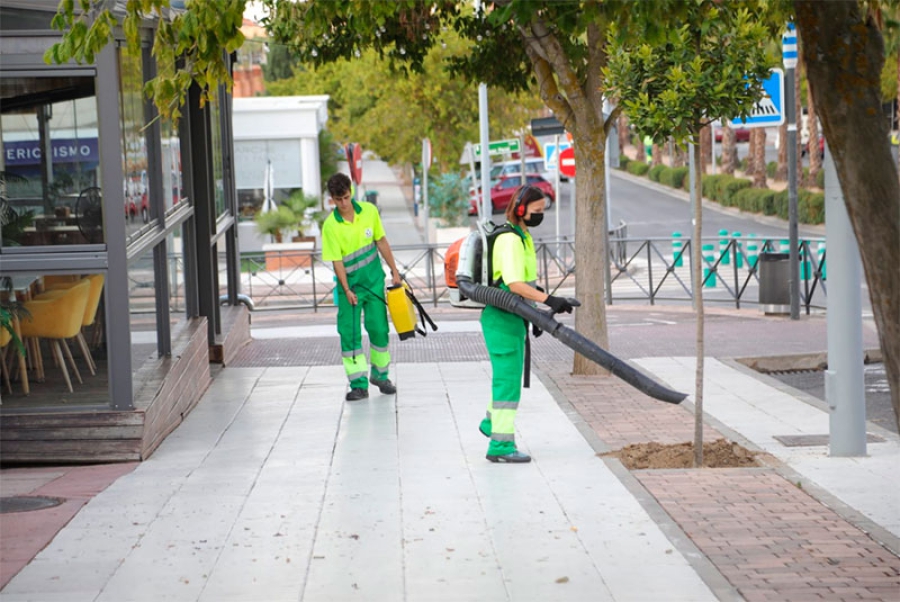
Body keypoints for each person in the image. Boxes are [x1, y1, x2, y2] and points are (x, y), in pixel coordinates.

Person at [478, 185, 577, 463]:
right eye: (537, 211)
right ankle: (500, 447)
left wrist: (533, 312)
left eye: (543, 210)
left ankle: (490, 423)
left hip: (513, 318)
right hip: (501, 319)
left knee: (507, 379)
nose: (541, 215)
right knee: (507, 383)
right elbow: (514, 283)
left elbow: (525, 283)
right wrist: (549, 300)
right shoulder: (510, 240)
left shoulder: (524, 237)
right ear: (520, 209)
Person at [321, 173, 402, 401]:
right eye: (338, 200)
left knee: (379, 329)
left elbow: (381, 241)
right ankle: (358, 385)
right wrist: (346, 290)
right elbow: (337, 261)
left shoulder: (369, 212)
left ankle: (381, 376)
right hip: (351, 289)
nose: (343, 204)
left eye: (346, 197)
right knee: (350, 335)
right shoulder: (330, 226)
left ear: (351, 192)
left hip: (375, 283)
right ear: (332, 199)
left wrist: (394, 271)